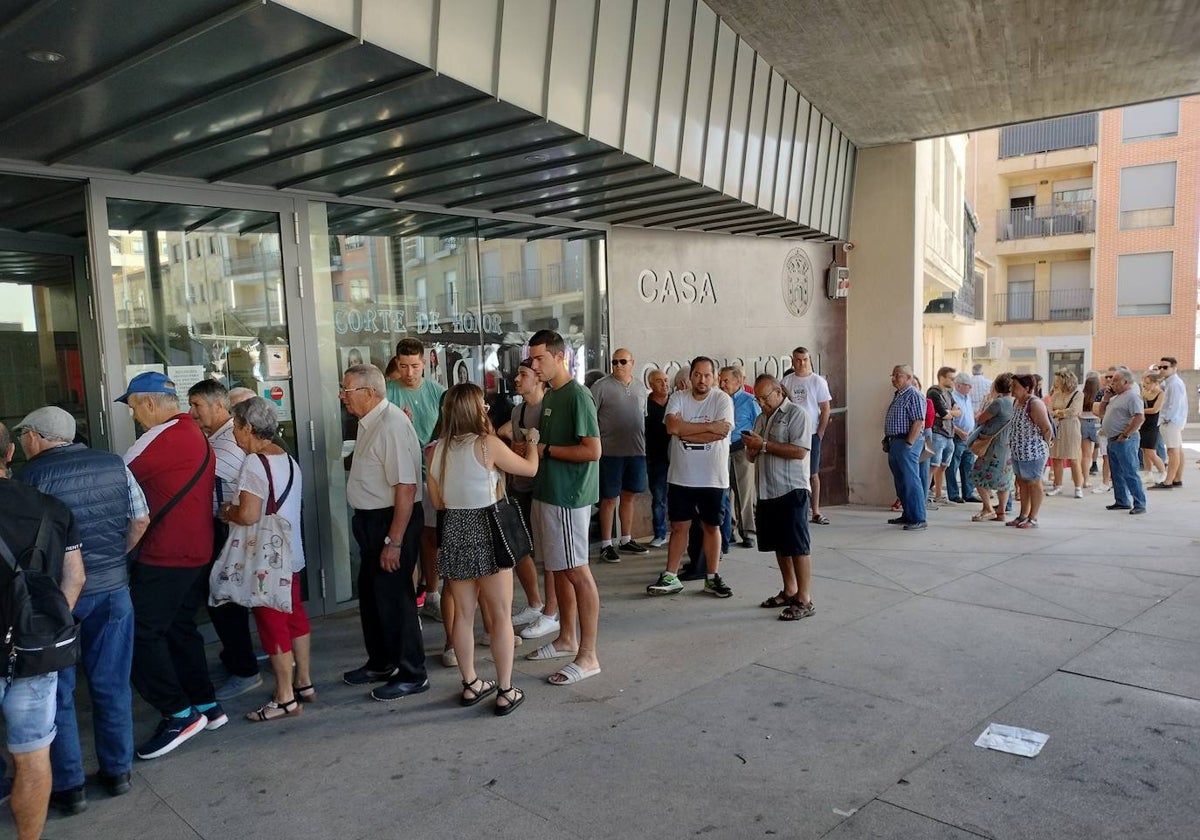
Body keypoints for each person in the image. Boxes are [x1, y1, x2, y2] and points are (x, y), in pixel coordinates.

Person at [15, 407, 146, 813]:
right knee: (112, 684)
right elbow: (140, 519)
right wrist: (111, 562)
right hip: (112, 592)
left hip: (55, 601)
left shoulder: (29, 479)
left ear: (36, 437)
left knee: (59, 692)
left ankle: (70, 788)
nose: (22, 443)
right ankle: (118, 772)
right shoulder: (113, 463)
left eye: (24, 436)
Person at [118, 371, 225, 760]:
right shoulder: (195, 433)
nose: (133, 416)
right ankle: (207, 705)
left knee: (140, 635)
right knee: (180, 629)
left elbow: (116, 482)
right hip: (195, 550)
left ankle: (179, 713)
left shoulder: (158, 438)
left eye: (133, 407)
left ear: (148, 403)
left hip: (166, 554)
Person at [429, 384, 540, 715]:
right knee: (501, 615)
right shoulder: (487, 445)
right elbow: (530, 469)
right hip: (488, 530)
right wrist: (532, 442)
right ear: (473, 409)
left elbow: (438, 501)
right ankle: (506, 690)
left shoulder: (435, 450)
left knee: (463, 615)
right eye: (483, 405)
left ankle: (470, 683)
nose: (487, 409)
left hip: (454, 530)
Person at [0, 422, 85, 840]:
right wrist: (44, 628)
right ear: (10, 454)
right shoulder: (52, 508)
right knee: (33, 755)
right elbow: (75, 579)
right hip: (34, 653)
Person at [218, 397, 314, 721]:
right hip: (291, 553)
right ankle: (304, 682)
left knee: (272, 625)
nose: (233, 436)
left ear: (248, 428)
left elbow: (248, 514)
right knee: (294, 616)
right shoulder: (287, 458)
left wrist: (226, 511)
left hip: (266, 561)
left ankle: (285, 697)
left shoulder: (255, 463)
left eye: (235, 428)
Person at [339, 363, 429, 701]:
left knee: (395, 598)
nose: (342, 397)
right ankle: (382, 661)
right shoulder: (370, 421)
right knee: (373, 597)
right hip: (371, 519)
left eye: (347, 391)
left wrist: (394, 540)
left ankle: (412, 672)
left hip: (390, 520)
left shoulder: (392, 424)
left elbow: (406, 487)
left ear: (370, 392)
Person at [524, 329, 603, 686]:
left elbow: (592, 451)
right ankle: (566, 637)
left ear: (560, 357)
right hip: (550, 493)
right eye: (532, 358)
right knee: (559, 568)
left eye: (539, 358)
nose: (533, 364)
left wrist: (547, 452)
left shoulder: (578, 395)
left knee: (577, 571)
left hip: (569, 497)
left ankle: (588, 655)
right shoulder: (554, 394)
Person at [187, 380, 262, 702]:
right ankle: (237, 659)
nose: (191, 413)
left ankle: (245, 670)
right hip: (227, 532)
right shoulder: (218, 439)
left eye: (197, 406)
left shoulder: (226, 443)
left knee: (225, 601)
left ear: (219, 407)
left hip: (231, 534)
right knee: (223, 600)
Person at [646, 356, 737, 596]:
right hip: (681, 477)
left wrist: (686, 432)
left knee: (712, 526)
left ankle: (712, 576)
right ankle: (671, 576)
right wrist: (707, 428)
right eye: (697, 374)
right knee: (678, 527)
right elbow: (672, 428)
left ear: (715, 378)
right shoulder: (678, 398)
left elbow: (720, 433)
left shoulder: (722, 400)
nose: (702, 380)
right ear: (691, 376)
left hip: (713, 477)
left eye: (707, 375)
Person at [743, 375, 815, 621]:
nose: (761, 403)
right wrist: (751, 449)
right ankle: (789, 590)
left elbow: (799, 451)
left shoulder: (797, 414)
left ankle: (805, 599)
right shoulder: (761, 418)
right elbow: (752, 457)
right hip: (767, 490)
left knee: (797, 546)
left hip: (791, 489)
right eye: (758, 398)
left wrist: (762, 445)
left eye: (764, 397)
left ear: (778, 391)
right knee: (780, 545)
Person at [385, 338, 447, 622]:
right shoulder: (387, 393)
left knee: (430, 536)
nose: (409, 372)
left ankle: (432, 593)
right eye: (404, 366)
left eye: (415, 366)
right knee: (405, 537)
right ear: (397, 364)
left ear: (425, 363)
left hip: (431, 474)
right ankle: (409, 601)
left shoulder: (438, 393)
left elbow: (447, 435)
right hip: (399, 478)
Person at [498, 360, 558, 641]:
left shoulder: (550, 407)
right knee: (519, 548)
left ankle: (551, 612)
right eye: (518, 374)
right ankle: (536, 604)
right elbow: (515, 447)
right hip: (521, 485)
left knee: (549, 554)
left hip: (544, 487)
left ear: (539, 380)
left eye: (524, 375)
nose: (517, 379)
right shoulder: (518, 410)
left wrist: (532, 448)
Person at [591, 348, 650, 562]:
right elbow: (590, 418)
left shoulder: (640, 387)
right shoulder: (600, 387)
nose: (617, 365)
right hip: (609, 453)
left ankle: (626, 538)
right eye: (614, 362)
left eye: (622, 361)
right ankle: (606, 544)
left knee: (630, 496)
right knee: (608, 499)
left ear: (632, 363)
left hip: (636, 451)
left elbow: (642, 417)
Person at [780, 347, 832, 525]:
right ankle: (792, 508)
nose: (801, 363)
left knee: (813, 473)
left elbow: (825, 409)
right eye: (798, 360)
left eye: (805, 360)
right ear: (792, 361)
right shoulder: (786, 381)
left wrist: (820, 432)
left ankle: (815, 510)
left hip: (811, 434)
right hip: (791, 435)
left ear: (809, 360)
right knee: (792, 471)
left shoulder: (818, 381)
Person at [719, 365, 760, 548]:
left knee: (745, 492)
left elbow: (759, 425)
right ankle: (729, 530)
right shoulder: (718, 400)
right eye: (721, 379)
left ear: (737, 382)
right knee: (725, 493)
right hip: (722, 450)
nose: (722, 383)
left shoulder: (749, 401)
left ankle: (748, 533)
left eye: (726, 380)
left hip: (742, 449)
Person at [883, 365, 927, 530]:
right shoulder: (900, 395)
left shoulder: (913, 394)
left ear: (909, 378)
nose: (894, 378)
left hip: (905, 442)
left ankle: (918, 517)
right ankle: (908, 514)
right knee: (901, 481)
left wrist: (909, 443)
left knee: (910, 479)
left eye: (898, 376)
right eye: (893, 375)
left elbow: (918, 420)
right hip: (895, 442)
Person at [1097, 367, 1146, 514]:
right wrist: (1106, 398)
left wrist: (1126, 434)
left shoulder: (1132, 396)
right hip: (1112, 439)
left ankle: (1139, 503)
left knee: (1130, 472)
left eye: (1115, 380)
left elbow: (1139, 417)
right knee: (1116, 473)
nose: (1112, 383)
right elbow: (1101, 412)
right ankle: (1122, 501)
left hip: (1125, 440)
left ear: (1126, 381)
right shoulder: (1115, 397)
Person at [967, 373, 1015, 523]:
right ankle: (1001, 511)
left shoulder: (999, 403)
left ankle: (988, 508)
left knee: (978, 475)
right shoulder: (1017, 402)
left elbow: (981, 419)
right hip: (1008, 445)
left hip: (993, 445)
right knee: (1005, 479)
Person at [1008, 374, 1054, 528]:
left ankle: (1033, 518)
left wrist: (1044, 447)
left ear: (1027, 388)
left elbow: (1046, 428)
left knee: (1034, 483)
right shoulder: (1016, 402)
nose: (1012, 390)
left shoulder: (1034, 404)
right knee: (1022, 483)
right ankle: (1023, 515)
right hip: (1017, 451)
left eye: (1015, 387)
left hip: (1033, 452)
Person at [1046, 369, 1084, 498]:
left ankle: (1078, 487)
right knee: (1056, 458)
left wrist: (1058, 412)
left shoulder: (1078, 394)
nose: (1055, 382)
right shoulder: (1056, 393)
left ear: (1065, 380)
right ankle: (1058, 485)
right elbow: (1050, 409)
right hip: (1057, 426)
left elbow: (1074, 411)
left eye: (1057, 380)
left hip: (1071, 427)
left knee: (1073, 458)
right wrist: (1059, 412)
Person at [645, 369, 671, 548]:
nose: (664, 384)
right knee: (659, 497)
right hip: (656, 458)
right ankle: (660, 533)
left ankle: (680, 532)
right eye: (660, 381)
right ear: (651, 384)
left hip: (678, 457)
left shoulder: (676, 401)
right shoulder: (645, 405)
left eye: (666, 380)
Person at [1153, 356, 1186, 489]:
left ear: (1174, 368)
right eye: (1160, 367)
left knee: (1173, 451)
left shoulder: (1174, 383)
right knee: (1177, 450)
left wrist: (1167, 419)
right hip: (1173, 421)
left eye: (1165, 367)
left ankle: (1169, 481)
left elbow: (1175, 404)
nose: (1161, 369)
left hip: (1171, 421)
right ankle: (1176, 479)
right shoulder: (1170, 382)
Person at [926, 367, 957, 505]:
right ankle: (925, 495)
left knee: (943, 466)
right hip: (938, 433)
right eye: (951, 378)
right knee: (933, 465)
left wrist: (949, 413)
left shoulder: (948, 394)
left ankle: (939, 494)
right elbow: (943, 414)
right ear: (942, 377)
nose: (953, 381)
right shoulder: (934, 392)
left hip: (949, 434)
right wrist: (947, 413)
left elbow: (958, 411)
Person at [946, 372, 978, 504]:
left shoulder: (967, 398)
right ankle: (953, 494)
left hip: (969, 437)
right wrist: (959, 431)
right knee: (953, 466)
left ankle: (968, 493)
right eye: (967, 385)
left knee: (968, 466)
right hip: (957, 437)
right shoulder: (952, 398)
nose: (970, 388)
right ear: (958, 385)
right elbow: (948, 419)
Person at [1139, 371, 1166, 482]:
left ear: (1156, 382)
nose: (1146, 385)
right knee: (1144, 450)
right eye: (1145, 383)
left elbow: (1155, 409)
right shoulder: (1144, 391)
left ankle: (1163, 471)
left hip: (1153, 424)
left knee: (1151, 451)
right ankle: (1148, 472)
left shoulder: (1161, 394)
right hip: (1143, 424)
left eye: (1149, 383)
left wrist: (1141, 411)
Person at [1079, 371, 1102, 491]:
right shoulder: (1100, 395)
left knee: (1085, 455)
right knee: (1103, 452)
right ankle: (1107, 479)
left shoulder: (1082, 395)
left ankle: (1086, 479)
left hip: (1083, 423)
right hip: (1096, 423)